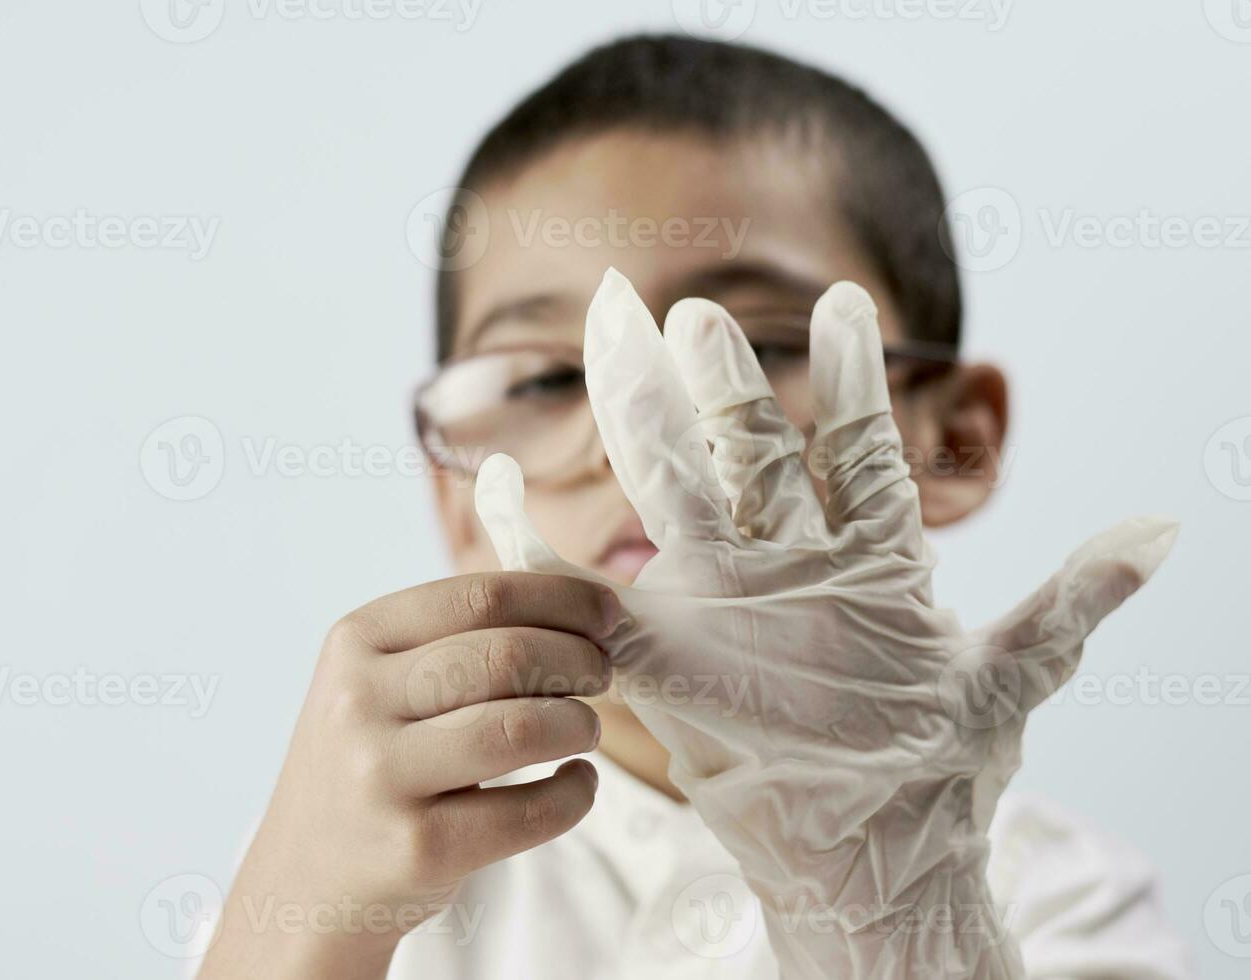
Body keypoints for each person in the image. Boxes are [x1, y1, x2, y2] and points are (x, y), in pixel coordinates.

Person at [200, 34, 1190, 979]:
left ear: (949, 439)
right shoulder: (368, 859)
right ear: (452, 495)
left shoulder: (1061, 894)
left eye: (746, 346)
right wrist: (301, 910)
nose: (632, 432)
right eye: (546, 378)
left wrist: (894, 905)